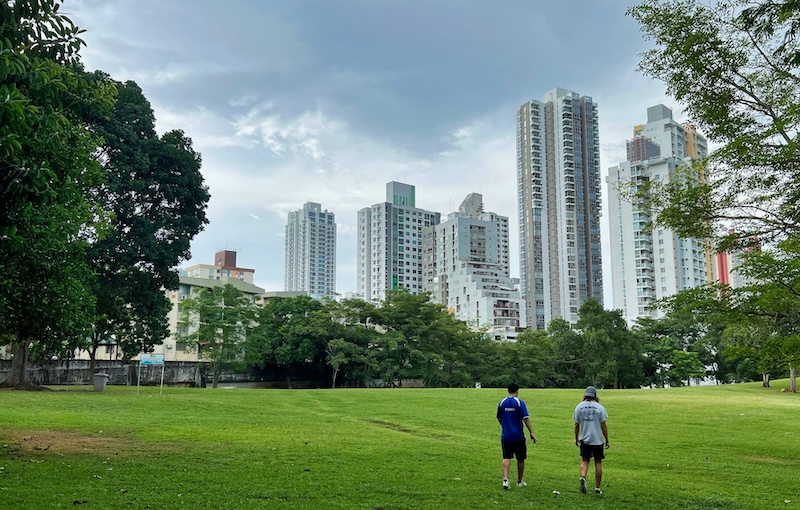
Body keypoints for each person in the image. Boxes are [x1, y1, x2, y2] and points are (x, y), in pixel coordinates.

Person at [497, 383, 537, 490]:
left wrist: (505, 426)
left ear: (508, 390)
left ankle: (505, 479)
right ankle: (519, 481)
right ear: (517, 391)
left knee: (506, 457)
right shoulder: (519, 403)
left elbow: (499, 417)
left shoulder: (502, 402)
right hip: (518, 436)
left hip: (506, 436)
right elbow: (525, 418)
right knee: (520, 458)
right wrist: (531, 432)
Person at [573, 385, 609, 495]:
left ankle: (583, 477)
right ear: (595, 395)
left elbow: (576, 425)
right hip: (597, 440)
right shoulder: (600, 408)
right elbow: (603, 425)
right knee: (598, 462)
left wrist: (576, 437)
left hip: (585, 439)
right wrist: (607, 439)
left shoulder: (579, 407)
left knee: (585, 461)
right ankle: (597, 488)